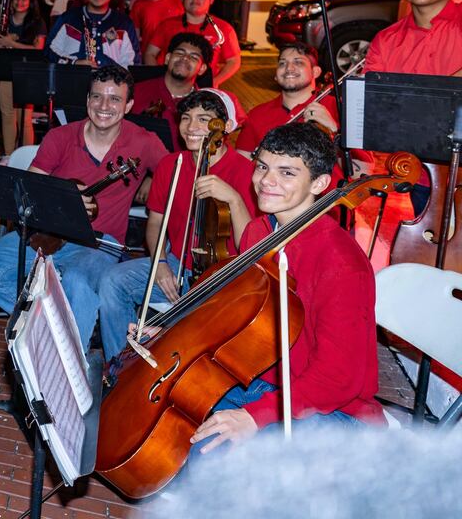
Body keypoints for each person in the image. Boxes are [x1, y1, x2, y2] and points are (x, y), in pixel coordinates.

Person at [185, 123, 384, 458]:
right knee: (182, 430)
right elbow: (235, 317)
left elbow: (338, 378)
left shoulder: (341, 262)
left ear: (319, 184)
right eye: (262, 166)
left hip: (333, 409)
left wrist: (256, 415)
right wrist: (173, 331)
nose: (266, 180)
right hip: (263, 383)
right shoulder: (257, 232)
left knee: (217, 467)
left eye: (287, 172)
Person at [0, 65, 167, 351]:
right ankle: (51, 326)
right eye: (97, 97)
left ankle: (69, 360)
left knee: (77, 282)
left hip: (100, 243)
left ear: (129, 105)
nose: (104, 106)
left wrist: (153, 184)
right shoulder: (61, 136)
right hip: (49, 234)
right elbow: (32, 190)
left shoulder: (144, 142)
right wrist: (62, 200)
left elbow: (177, 178)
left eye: (114, 99)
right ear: (87, 100)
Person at [98, 89, 257, 359]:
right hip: (175, 262)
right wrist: (159, 263)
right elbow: (156, 222)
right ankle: (121, 367)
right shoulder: (172, 163)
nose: (192, 127)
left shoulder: (246, 172)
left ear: (225, 127)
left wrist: (234, 199)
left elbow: (251, 245)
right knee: (113, 281)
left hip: (223, 275)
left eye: (204, 119)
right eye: (186, 118)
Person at [236, 43, 338, 153]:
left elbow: (356, 163)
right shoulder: (257, 115)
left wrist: (334, 130)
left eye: (298, 62)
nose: (288, 68)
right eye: (282, 63)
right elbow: (241, 164)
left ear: (315, 72)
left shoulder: (338, 108)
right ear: (276, 75)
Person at [144, 0, 241, 86]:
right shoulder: (166, 25)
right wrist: (159, 79)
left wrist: (214, 82)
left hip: (204, 89)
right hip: (170, 85)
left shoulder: (224, 29)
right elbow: (150, 53)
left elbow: (234, 61)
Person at [130, 32, 213, 150]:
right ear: (168, 58)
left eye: (194, 57)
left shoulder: (207, 106)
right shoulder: (135, 92)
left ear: (202, 69)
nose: (185, 58)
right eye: (180, 53)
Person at [0, 0, 47, 154]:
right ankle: (9, 156)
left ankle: (26, 157)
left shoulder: (37, 22)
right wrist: (0, 44)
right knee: (7, 115)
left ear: (31, 2)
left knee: (24, 119)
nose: (20, 2)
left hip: (27, 75)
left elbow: (38, 49)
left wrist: (12, 43)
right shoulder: (4, 20)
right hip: (6, 72)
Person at [47, 0, 140, 67]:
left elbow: (133, 62)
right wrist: (73, 63)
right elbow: (49, 51)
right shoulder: (68, 18)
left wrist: (114, 78)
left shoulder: (122, 23)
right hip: (73, 80)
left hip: (111, 81)